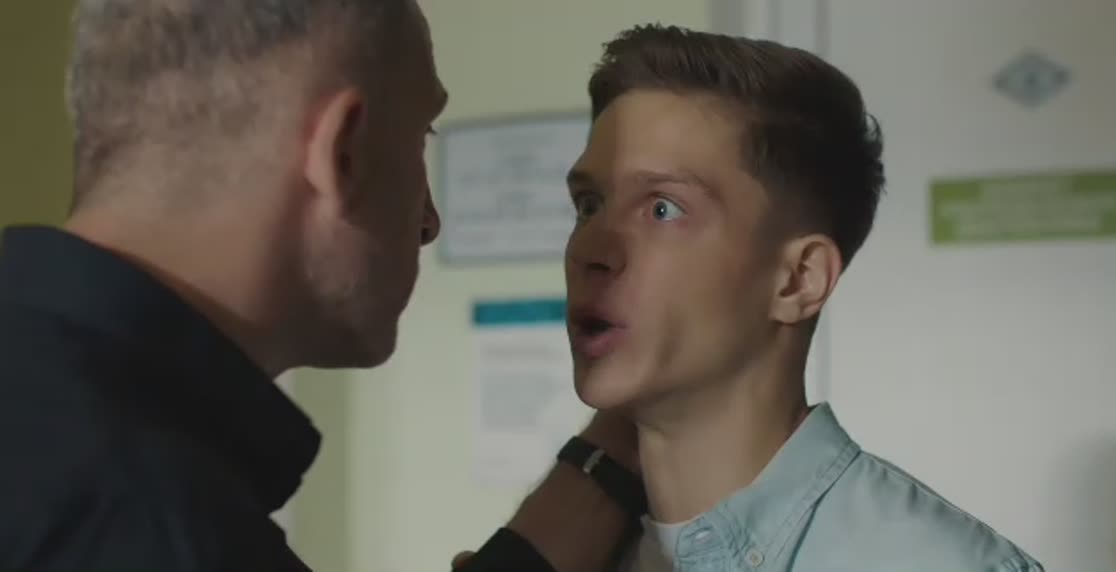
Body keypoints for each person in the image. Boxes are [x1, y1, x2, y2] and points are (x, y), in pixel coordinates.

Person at [0, 1, 645, 571]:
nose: (429, 221)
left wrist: (611, 448)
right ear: (342, 153)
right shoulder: (149, 524)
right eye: (419, 138)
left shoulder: (71, 448)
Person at [563, 24, 1045, 571]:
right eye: (589, 205)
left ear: (798, 279)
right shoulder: (563, 552)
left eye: (662, 209)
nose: (591, 250)